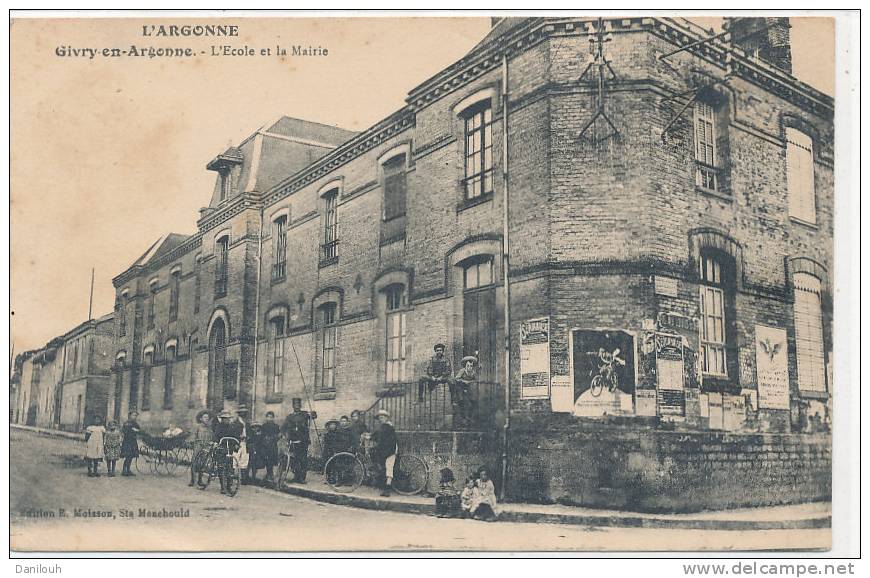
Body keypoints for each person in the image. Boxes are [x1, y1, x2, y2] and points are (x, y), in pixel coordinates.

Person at [281, 398, 317, 483]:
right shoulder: (290, 417)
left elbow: (314, 416)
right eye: (295, 405)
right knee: (295, 460)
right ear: (293, 406)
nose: (296, 406)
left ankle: (302, 478)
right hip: (293, 441)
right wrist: (283, 435)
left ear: (300, 406)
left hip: (303, 441)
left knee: (303, 459)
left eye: (298, 405)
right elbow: (284, 427)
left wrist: (312, 412)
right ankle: (296, 476)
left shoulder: (304, 414)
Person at [212, 409, 244, 495]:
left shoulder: (232, 427)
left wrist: (237, 443)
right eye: (224, 419)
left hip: (229, 448)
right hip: (222, 448)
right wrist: (216, 442)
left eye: (228, 419)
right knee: (221, 467)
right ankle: (223, 486)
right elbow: (216, 436)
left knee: (230, 467)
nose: (226, 420)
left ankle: (229, 486)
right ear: (222, 419)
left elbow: (236, 436)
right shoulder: (219, 427)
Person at [370, 409, 398, 497]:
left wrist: (371, 437)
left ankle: (387, 489)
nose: (381, 419)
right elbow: (377, 436)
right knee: (385, 468)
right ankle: (384, 486)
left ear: (386, 418)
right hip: (384, 450)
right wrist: (370, 437)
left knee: (389, 468)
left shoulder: (388, 426)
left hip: (390, 450)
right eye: (379, 418)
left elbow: (383, 437)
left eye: (382, 417)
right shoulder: (382, 427)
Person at [189, 409, 214, 487]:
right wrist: (193, 442)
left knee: (203, 463)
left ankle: (200, 480)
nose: (206, 419)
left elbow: (212, 437)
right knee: (194, 461)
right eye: (204, 417)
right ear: (201, 419)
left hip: (206, 447)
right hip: (198, 446)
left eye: (207, 418)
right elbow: (193, 436)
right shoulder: (197, 427)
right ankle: (192, 480)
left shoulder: (209, 428)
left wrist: (211, 443)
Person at [453, 356, 479, 429]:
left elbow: (476, 381)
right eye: (468, 366)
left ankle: (469, 422)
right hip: (461, 390)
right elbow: (456, 379)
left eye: (471, 366)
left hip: (469, 391)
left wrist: (470, 382)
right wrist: (464, 381)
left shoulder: (473, 373)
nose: (469, 367)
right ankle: (462, 422)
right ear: (465, 366)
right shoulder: (462, 371)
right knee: (462, 404)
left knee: (471, 404)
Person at [258, 411, 281, 484]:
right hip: (265, 446)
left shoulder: (276, 426)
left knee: (272, 460)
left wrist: (275, 438)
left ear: (273, 418)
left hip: (273, 446)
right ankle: (269, 473)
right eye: (268, 417)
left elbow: (278, 435)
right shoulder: (264, 426)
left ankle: (270, 474)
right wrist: (265, 439)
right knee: (266, 460)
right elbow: (261, 435)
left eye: (271, 417)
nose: (269, 419)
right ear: (266, 418)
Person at [120, 410, 141, 477]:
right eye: (133, 415)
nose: (135, 417)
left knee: (131, 456)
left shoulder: (135, 423)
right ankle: (124, 470)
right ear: (130, 416)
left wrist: (136, 430)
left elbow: (138, 429)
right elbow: (125, 431)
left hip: (133, 441)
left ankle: (128, 470)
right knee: (128, 456)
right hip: (127, 441)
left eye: (136, 416)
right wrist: (132, 429)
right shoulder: (127, 423)